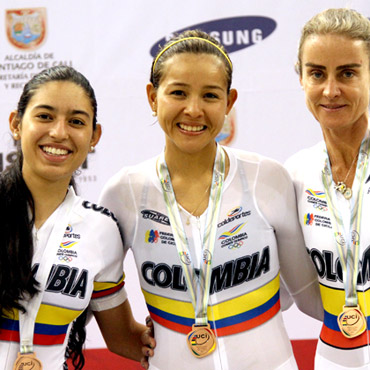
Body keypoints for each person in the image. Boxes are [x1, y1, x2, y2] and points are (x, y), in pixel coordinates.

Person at [99, 29, 323, 370]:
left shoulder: (268, 178)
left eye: (210, 95)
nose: (193, 110)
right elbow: (108, 315)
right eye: (178, 93)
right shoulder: (123, 192)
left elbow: (307, 295)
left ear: (229, 102)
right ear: (152, 97)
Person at [0, 65, 155, 370]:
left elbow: (123, 338)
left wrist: (178, 334)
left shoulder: (101, 229)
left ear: (94, 135)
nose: (59, 132)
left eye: (76, 121)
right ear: (16, 124)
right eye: (45, 116)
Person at [285, 8, 370, 370]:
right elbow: (283, 292)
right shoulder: (295, 174)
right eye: (316, 73)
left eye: (348, 73)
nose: (330, 90)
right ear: (301, 79)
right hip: (334, 359)